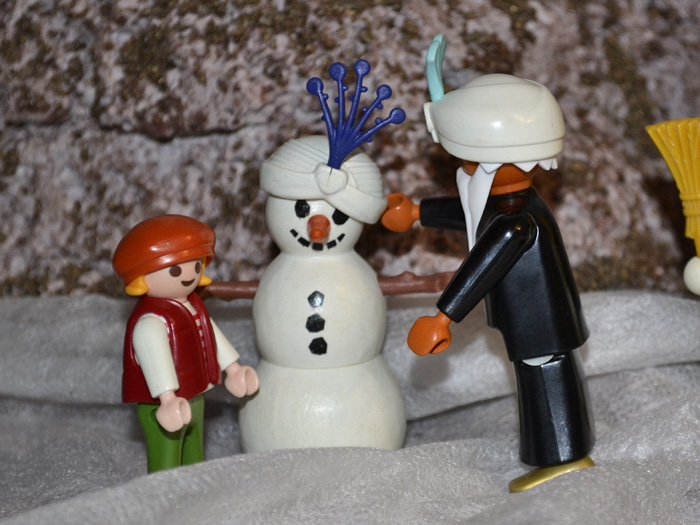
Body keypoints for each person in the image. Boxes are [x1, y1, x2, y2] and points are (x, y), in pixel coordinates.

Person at [383, 37, 595, 492]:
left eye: (465, 154)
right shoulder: (510, 204)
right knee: (544, 380)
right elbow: (472, 215)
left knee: (544, 385)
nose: (461, 164)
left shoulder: (516, 222)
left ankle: (561, 457)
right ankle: (563, 453)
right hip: (539, 319)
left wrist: (443, 317)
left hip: (538, 322)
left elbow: (482, 263)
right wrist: (418, 212)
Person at [113, 214, 258, 472]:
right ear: (141, 279)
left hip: (195, 394)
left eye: (195, 266)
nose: (189, 275)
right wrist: (167, 397)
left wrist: (233, 368)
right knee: (167, 461)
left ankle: (194, 487)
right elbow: (155, 359)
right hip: (161, 405)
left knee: (194, 453)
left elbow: (211, 335)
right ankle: (164, 493)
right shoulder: (150, 321)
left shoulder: (194, 307)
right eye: (176, 270)